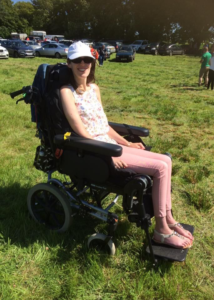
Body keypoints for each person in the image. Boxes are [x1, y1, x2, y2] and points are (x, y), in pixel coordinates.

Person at [60, 41, 194, 249]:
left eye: (87, 59)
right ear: (69, 63)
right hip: (98, 151)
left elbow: (103, 125)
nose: (83, 64)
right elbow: (80, 130)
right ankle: (161, 230)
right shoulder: (67, 92)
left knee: (166, 160)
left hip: (111, 144)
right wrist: (107, 153)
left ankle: (168, 218)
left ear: (93, 62)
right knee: (160, 168)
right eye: (77, 60)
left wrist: (126, 142)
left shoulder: (94, 89)